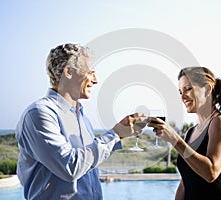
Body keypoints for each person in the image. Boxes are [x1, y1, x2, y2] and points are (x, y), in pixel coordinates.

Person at [15, 43, 144, 200]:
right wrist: (115, 134)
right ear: (68, 72)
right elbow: (70, 167)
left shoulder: (81, 116)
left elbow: (86, 159)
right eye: (91, 72)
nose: (95, 80)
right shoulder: (39, 114)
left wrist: (121, 135)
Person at [148, 66, 221, 200]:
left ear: (207, 89)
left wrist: (175, 139)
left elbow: (211, 172)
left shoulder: (220, 123)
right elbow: (185, 183)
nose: (183, 96)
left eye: (188, 89)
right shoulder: (191, 132)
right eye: (180, 92)